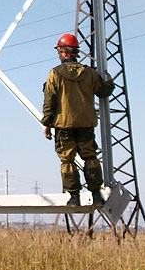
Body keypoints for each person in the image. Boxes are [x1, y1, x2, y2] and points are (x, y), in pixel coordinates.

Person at [40, 33, 115, 207]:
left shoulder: (55, 74)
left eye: (59, 52)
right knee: (90, 157)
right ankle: (96, 195)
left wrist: (46, 123)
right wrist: (110, 83)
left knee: (67, 160)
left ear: (65, 53)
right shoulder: (90, 73)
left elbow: (49, 100)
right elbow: (103, 91)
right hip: (86, 124)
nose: (59, 55)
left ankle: (74, 198)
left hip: (64, 125)